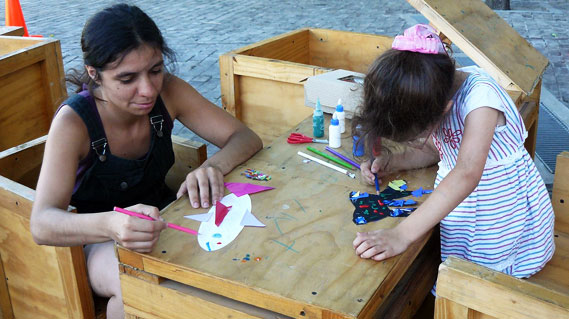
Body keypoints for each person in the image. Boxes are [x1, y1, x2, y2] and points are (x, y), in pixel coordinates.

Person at [29, 4, 262, 318]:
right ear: (93, 73)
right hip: (98, 239)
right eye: (127, 78)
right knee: (136, 292)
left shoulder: (169, 92)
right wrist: (112, 224)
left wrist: (213, 167)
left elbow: (245, 138)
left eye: (155, 69)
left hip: (167, 220)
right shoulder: (74, 123)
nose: (148, 89)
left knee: (230, 277)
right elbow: (42, 223)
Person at [352, 24, 555, 282]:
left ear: (446, 109)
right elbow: (437, 150)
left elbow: (467, 173)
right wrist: (393, 161)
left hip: (500, 219)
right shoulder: (434, 88)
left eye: (416, 135)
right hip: (465, 210)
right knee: (459, 273)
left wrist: (401, 234)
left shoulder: (481, 99)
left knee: (485, 284)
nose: (417, 142)